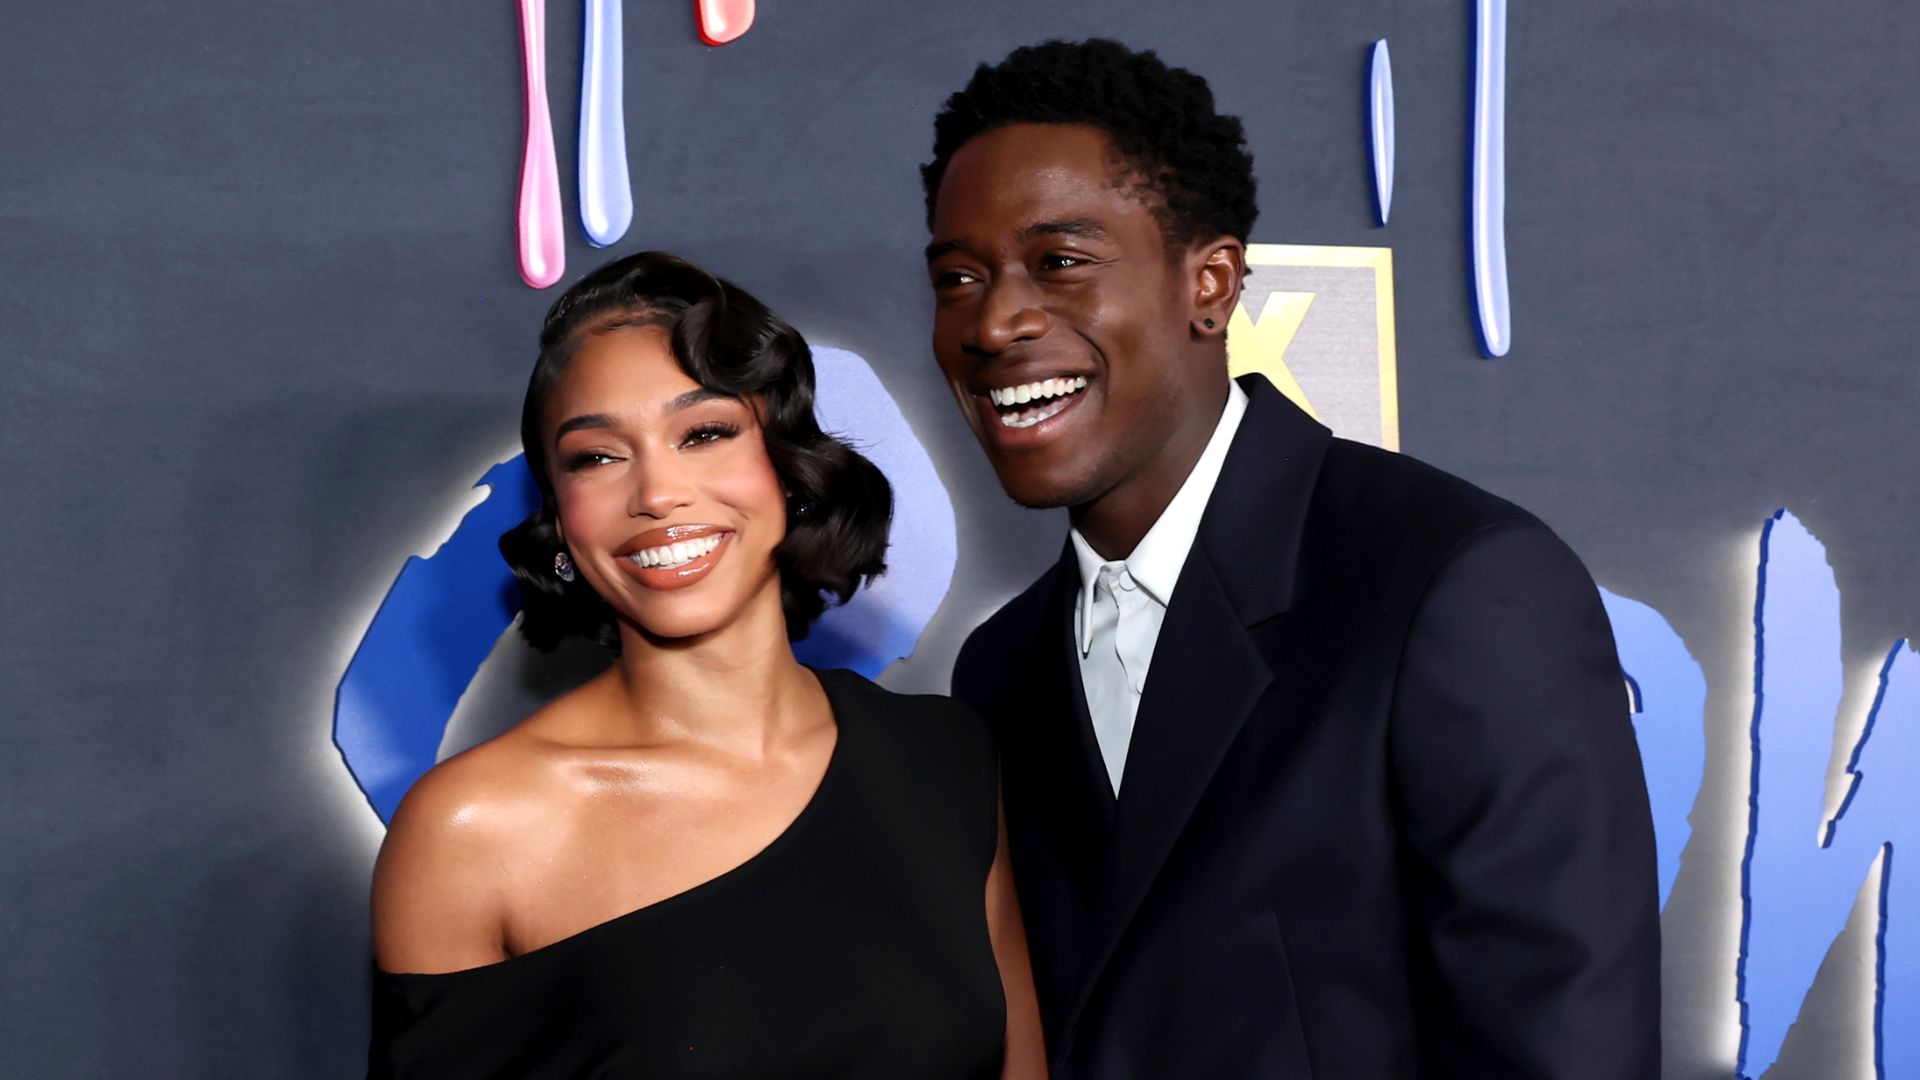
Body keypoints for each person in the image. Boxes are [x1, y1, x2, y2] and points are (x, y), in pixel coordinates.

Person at [926, 40, 1661, 1078]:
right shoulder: (1000, 669)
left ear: (1212, 283)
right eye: (959, 276)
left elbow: (1564, 1046)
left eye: (1060, 262)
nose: (995, 320)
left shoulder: (1454, 584)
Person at [368, 252, 1046, 1079]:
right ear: (561, 516)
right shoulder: (473, 829)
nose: (657, 491)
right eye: (597, 456)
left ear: (787, 468)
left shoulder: (945, 758)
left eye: (705, 433)